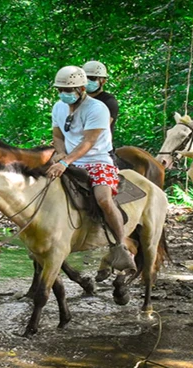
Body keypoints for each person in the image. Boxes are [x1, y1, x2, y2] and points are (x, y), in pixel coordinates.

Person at [46, 65, 136, 273]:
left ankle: (120, 245)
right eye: (60, 90)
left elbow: (88, 142)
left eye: (68, 90)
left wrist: (65, 162)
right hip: (69, 159)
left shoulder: (98, 108)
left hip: (97, 159)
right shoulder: (58, 107)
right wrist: (60, 155)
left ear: (81, 89)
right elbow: (58, 136)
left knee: (103, 198)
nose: (64, 94)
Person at [82, 60, 119, 142]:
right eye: (85, 78)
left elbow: (97, 131)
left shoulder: (109, 102)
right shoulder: (77, 100)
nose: (87, 81)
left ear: (103, 81)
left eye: (92, 78)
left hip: (100, 150)